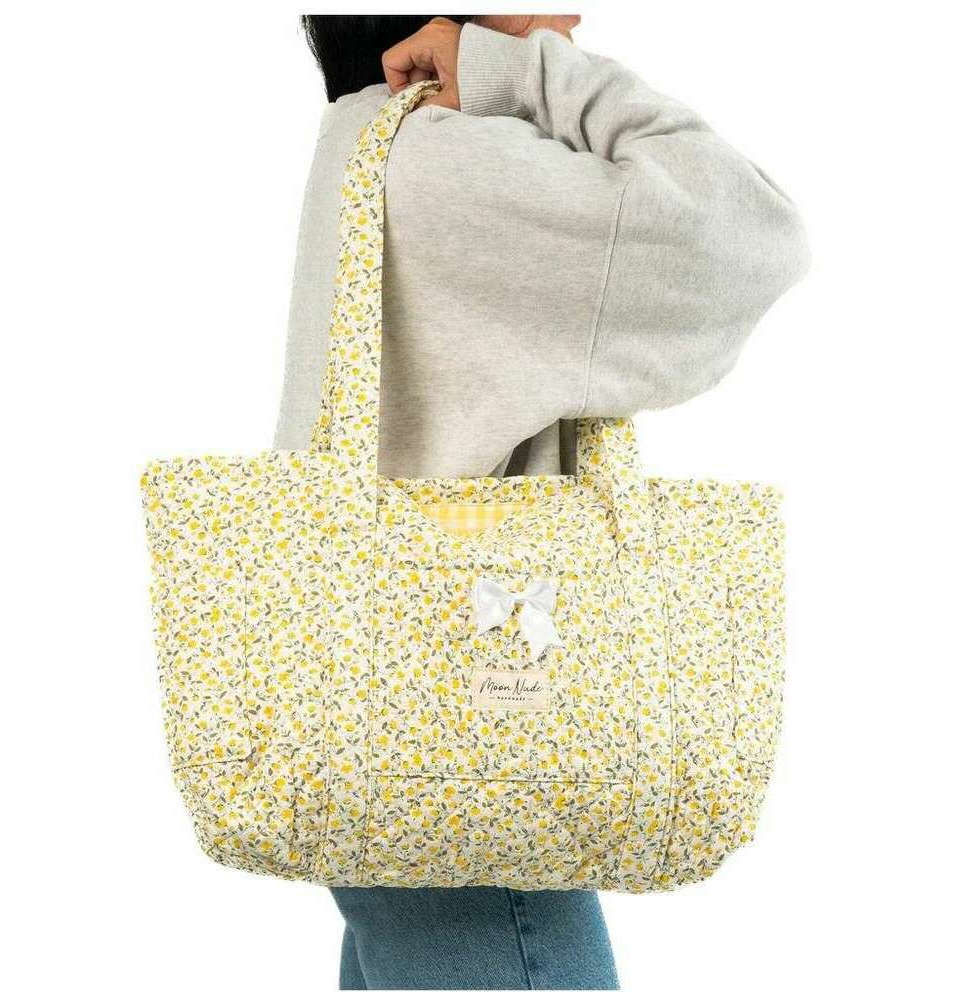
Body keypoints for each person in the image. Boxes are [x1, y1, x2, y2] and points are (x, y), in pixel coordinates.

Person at [275, 14, 809, 992]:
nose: (577, 12)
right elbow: (747, 234)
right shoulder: (444, 160)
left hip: (375, 711)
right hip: (470, 730)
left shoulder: (365, 138)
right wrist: (527, 71)